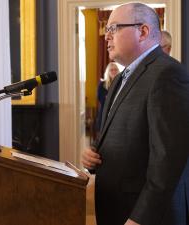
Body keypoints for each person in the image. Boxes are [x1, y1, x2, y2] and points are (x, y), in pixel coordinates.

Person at [81, 3, 189, 225]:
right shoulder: (120, 79)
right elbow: (123, 136)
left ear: (143, 31)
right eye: (106, 29)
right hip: (115, 207)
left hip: (146, 215)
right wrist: (94, 156)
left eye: (114, 29)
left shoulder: (168, 74)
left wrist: (140, 218)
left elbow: (168, 161)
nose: (106, 37)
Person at [95, 62, 120, 133]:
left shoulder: (122, 83)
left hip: (118, 113)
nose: (114, 71)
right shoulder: (102, 84)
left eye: (115, 69)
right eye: (111, 70)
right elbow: (102, 100)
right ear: (108, 72)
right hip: (105, 113)